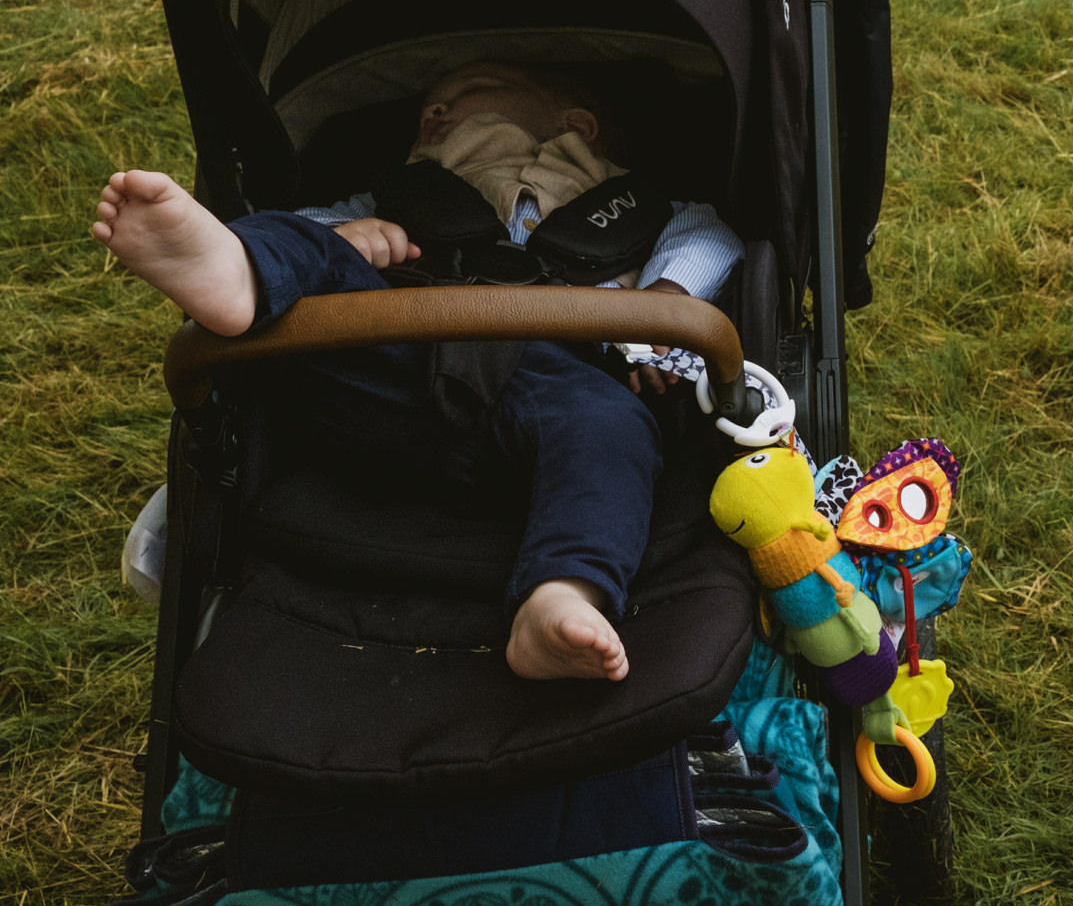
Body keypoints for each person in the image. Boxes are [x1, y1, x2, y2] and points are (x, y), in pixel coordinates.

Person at [91, 61, 741, 684]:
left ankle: (559, 595)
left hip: (559, 388)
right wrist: (348, 236)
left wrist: (663, 302)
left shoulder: (635, 206)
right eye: (428, 107)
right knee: (305, 240)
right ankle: (238, 272)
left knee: (614, 430)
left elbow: (709, 236)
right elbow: (313, 230)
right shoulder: (394, 196)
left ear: (579, 125)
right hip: (390, 364)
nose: (434, 110)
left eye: (470, 92)